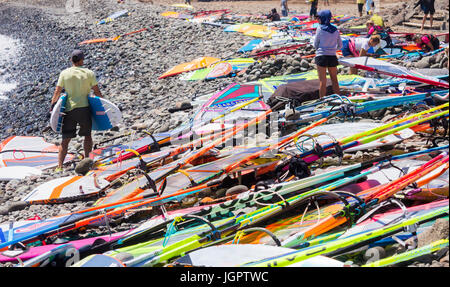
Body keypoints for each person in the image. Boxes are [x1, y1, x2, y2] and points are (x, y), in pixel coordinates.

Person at [51, 50, 103, 171]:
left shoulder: (64, 73)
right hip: (84, 109)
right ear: (82, 60)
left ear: (71, 60)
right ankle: (87, 160)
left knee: (65, 140)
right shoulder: (89, 73)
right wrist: (102, 105)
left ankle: (59, 166)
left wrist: (53, 106)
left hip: (69, 110)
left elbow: (57, 91)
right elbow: (96, 91)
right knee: (87, 136)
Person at [313, 10, 343, 99]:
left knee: (323, 81)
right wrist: (333, 49)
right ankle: (339, 99)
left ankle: (322, 101)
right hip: (332, 57)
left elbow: (315, 44)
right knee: (334, 80)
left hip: (321, 56)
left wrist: (321, 49)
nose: (318, 19)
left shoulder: (320, 28)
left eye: (318, 17)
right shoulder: (336, 30)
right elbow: (340, 45)